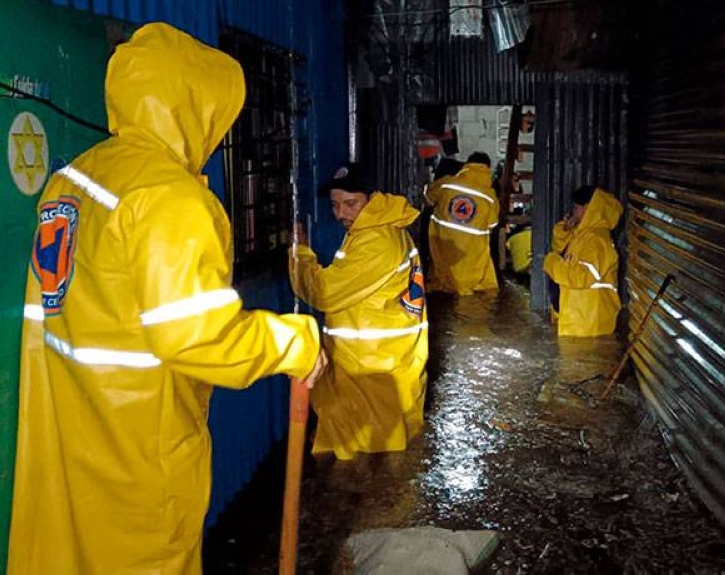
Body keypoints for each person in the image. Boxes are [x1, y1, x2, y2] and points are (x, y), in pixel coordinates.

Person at [9, 23, 327, 574]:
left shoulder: (71, 182)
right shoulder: (170, 198)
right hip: (138, 452)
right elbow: (200, 338)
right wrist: (294, 343)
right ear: (191, 106)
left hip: (68, 435)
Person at [289, 163, 428, 460]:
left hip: (370, 366)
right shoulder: (379, 228)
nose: (342, 214)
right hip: (378, 360)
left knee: (367, 463)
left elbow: (324, 292)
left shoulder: (376, 241)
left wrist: (300, 253)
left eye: (351, 204)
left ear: (372, 198)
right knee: (379, 456)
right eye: (335, 205)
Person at [543, 185, 623, 337]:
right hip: (581, 319)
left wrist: (551, 262)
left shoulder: (595, 240)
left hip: (588, 323)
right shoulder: (585, 234)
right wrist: (565, 230)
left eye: (575, 208)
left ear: (588, 209)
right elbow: (561, 249)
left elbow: (580, 277)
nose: (573, 212)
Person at [425, 151, 500, 295]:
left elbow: (428, 197)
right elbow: (492, 224)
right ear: (487, 169)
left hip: (444, 249)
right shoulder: (490, 195)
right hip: (472, 260)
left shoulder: (447, 183)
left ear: (467, 164)